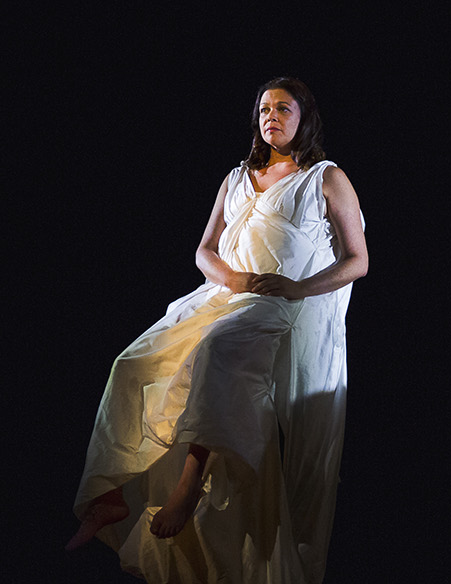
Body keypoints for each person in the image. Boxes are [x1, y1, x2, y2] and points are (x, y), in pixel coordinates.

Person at [65, 77, 368, 584]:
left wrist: (297, 289)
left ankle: (187, 487)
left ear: (305, 118)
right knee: (132, 361)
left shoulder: (325, 177)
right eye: (264, 108)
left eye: (284, 108)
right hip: (223, 296)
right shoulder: (236, 177)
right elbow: (205, 249)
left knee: (216, 350)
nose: (271, 116)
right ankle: (109, 494)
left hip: (277, 305)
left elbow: (358, 260)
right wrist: (229, 277)